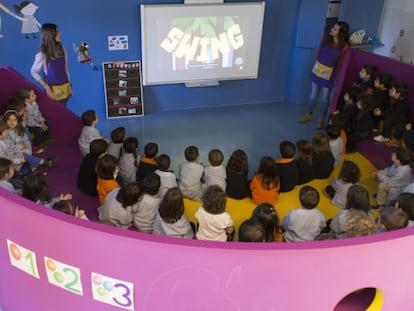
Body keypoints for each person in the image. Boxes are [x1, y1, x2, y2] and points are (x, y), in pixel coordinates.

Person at [298, 21, 350, 129]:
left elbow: (340, 63)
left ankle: (321, 118)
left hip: (330, 74)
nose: (332, 29)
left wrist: (336, 77)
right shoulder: (325, 38)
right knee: (313, 94)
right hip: (318, 69)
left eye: (335, 29)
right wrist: (318, 66)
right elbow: (319, 53)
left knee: (325, 98)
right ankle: (308, 114)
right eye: (333, 27)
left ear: (341, 33)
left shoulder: (344, 47)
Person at [30, 23, 72, 105]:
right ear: (51, 35)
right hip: (53, 90)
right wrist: (45, 86)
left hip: (65, 87)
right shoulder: (43, 53)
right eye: (57, 32)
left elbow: (65, 68)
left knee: (63, 109)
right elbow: (33, 71)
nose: (60, 34)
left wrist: (69, 85)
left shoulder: (62, 48)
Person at [374, 83, 409, 147]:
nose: (390, 90)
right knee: (386, 115)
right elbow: (389, 111)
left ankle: (386, 137)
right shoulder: (392, 99)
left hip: (400, 121)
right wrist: (380, 111)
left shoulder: (401, 104)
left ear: (398, 94)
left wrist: (381, 113)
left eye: (392, 90)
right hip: (395, 117)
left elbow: (394, 116)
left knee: (389, 119)